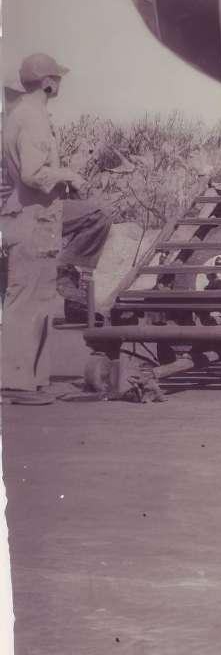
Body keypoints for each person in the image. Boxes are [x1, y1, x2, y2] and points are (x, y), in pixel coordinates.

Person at [1, 54, 111, 404]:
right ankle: (15, 384)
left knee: (41, 301)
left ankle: (34, 381)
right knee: (26, 301)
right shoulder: (31, 119)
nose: (60, 84)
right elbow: (34, 174)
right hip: (32, 217)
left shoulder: (24, 115)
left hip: (41, 215)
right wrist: (69, 176)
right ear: (47, 82)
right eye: (57, 79)